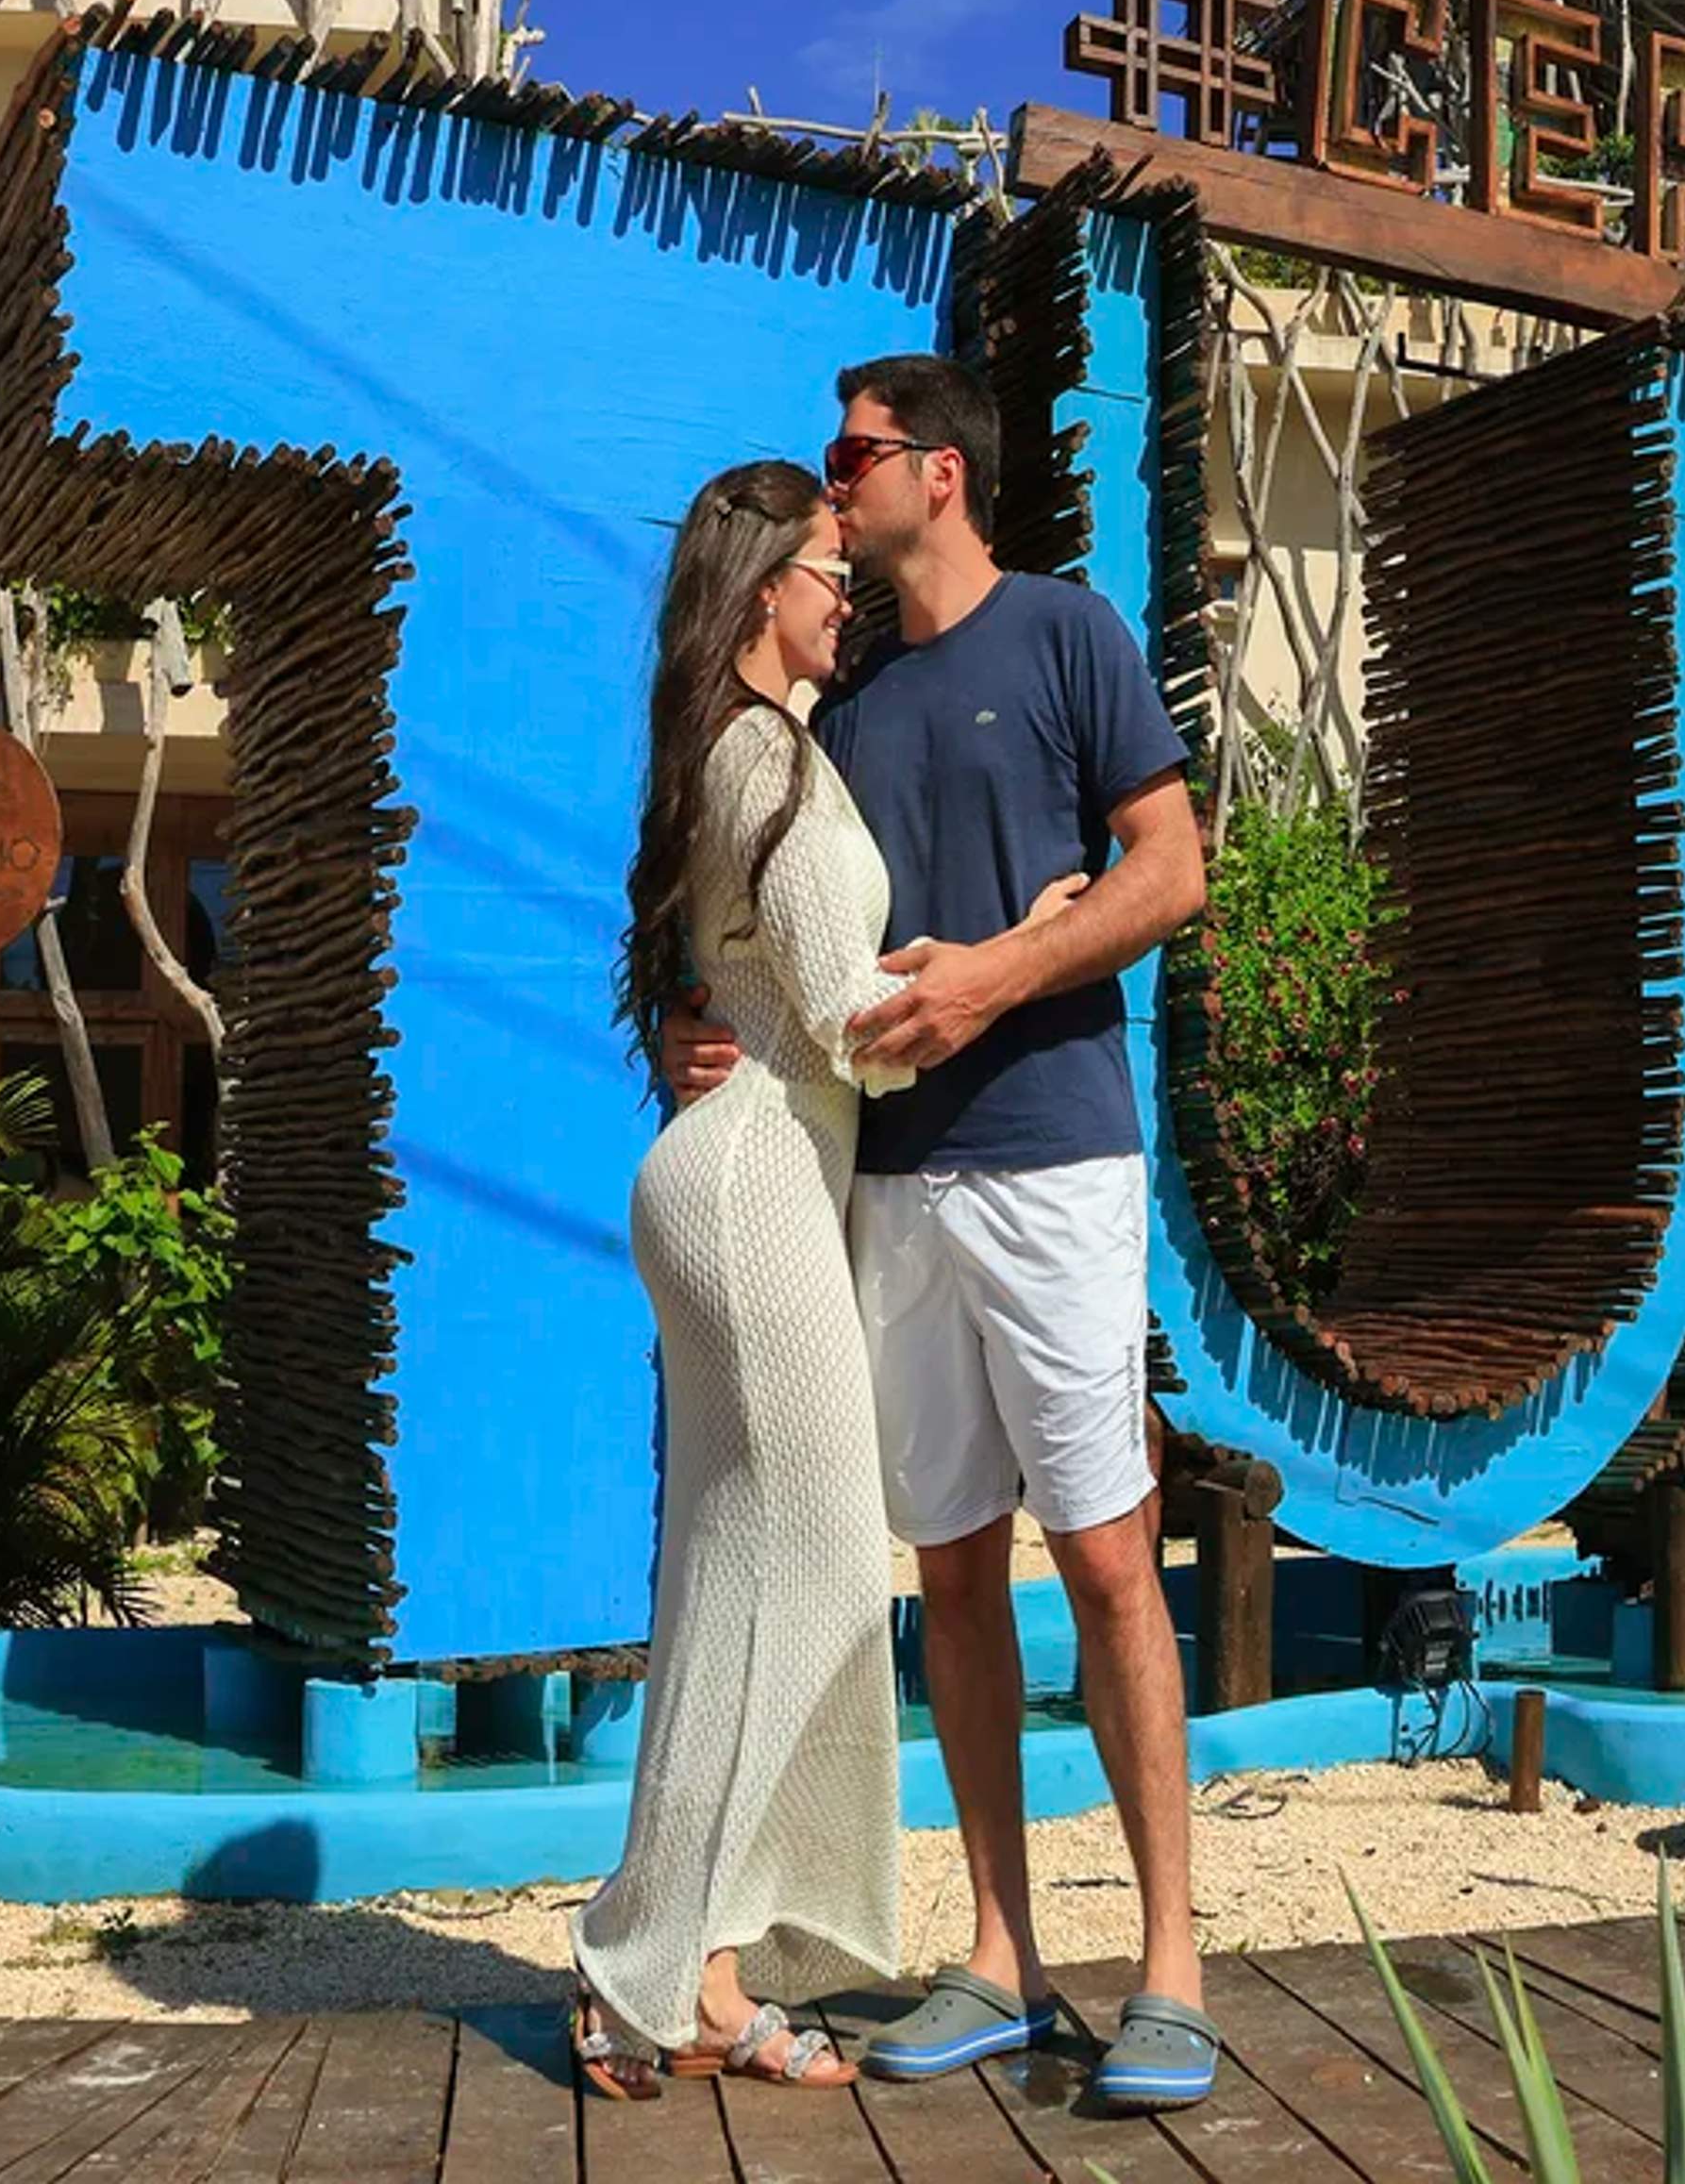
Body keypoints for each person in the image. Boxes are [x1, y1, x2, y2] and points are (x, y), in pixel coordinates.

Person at [659, 356, 1214, 2109]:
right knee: (954, 1565)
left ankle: (1174, 1969)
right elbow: (774, 934)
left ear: (943, 473)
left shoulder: (1067, 633)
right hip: (890, 1185)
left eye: (856, 458)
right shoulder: (849, 709)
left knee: (1111, 1552)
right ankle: (1000, 1953)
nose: (835, 491)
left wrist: (1001, 973)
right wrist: (692, 1027)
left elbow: (1172, 870)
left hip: (1055, 1160)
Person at [569, 459, 911, 2098]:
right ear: (763, 581)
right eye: (830, 570)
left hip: (745, 1180)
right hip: (752, 1186)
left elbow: (759, 978)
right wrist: (1016, 958)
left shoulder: (765, 752)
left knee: (727, 1585)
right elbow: (849, 1017)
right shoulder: (757, 751)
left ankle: (690, 1977)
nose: (849, 594)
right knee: (835, 1562)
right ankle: (645, 1961)